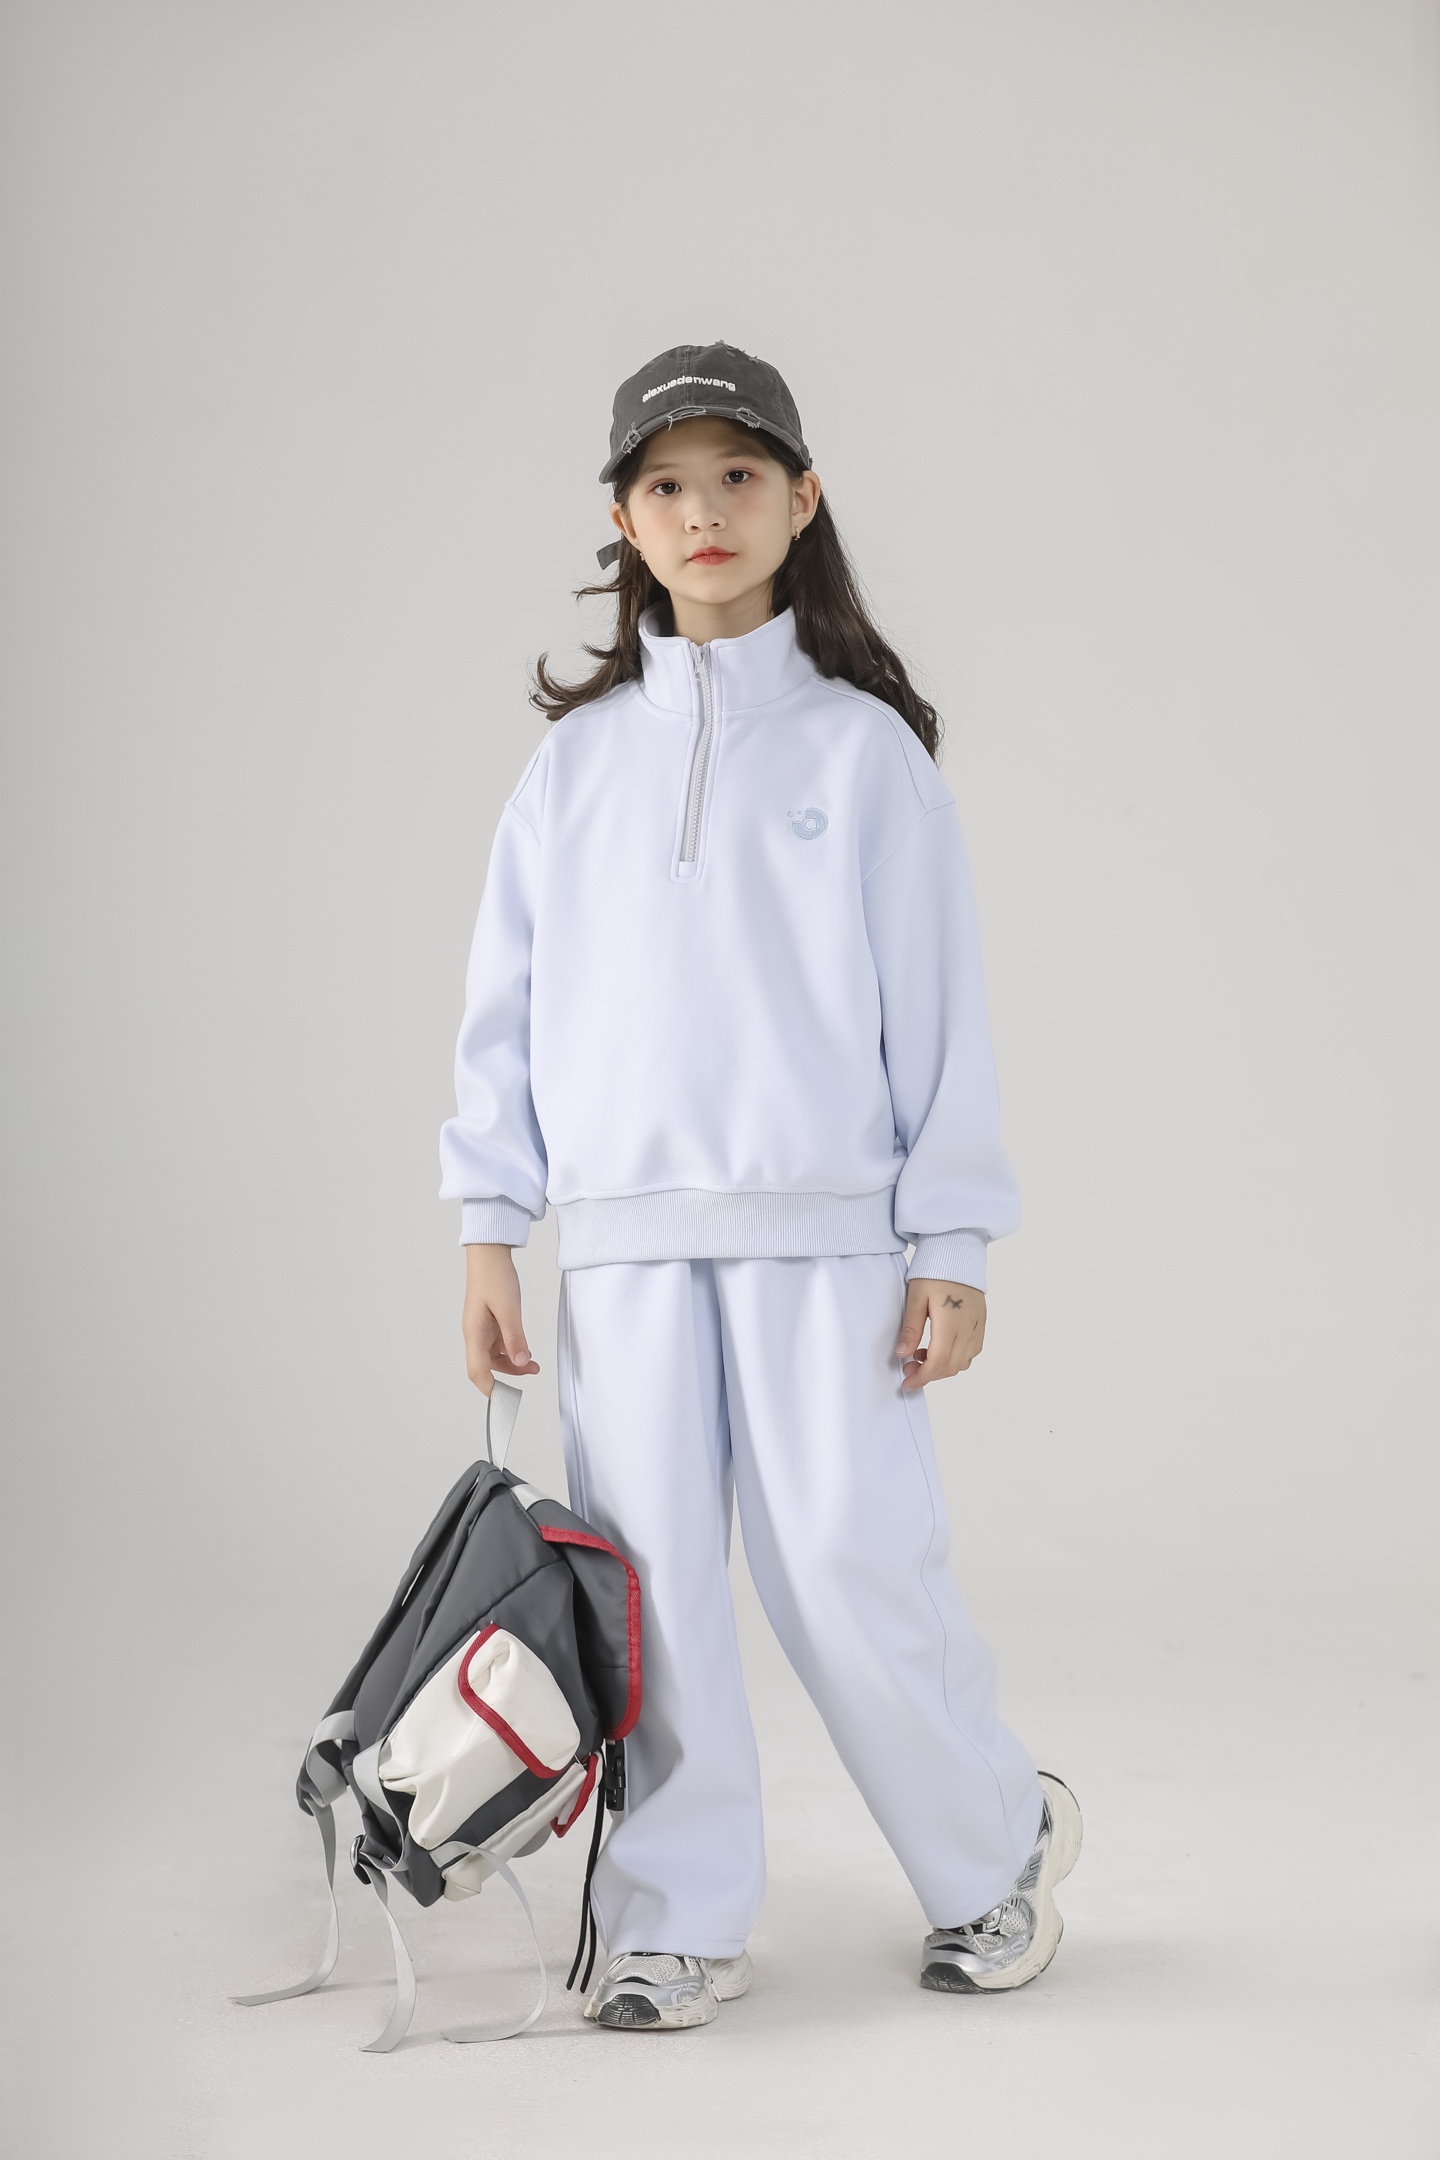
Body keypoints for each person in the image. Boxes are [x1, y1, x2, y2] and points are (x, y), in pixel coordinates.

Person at [439, 342, 1080, 2031]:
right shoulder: (574, 769)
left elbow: (936, 1015)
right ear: (622, 520)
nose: (703, 510)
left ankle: (993, 1853)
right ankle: (675, 1913)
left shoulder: (866, 757)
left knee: (856, 1567)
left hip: (830, 1244)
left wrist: (952, 1239)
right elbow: (503, 1011)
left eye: (738, 476)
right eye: (666, 483)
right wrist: (492, 1225)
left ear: (803, 501)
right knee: (646, 1599)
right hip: (626, 1249)